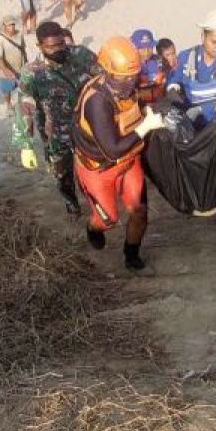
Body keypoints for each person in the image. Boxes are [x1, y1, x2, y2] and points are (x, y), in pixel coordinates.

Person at [72, 36, 165, 270]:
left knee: (139, 211)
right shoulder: (98, 102)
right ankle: (93, 227)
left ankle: (131, 253)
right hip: (99, 168)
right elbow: (112, 150)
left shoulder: (130, 84)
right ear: (106, 73)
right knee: (108, 219)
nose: (128, 84)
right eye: (121, 78)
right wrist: (145, 127)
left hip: (129, 160)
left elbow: (147, 94)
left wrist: (168, 92)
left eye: (132, 77)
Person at [167, 9, 216, 220]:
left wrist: (201, 109)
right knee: (192, 161)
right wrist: (173, 92)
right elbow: (174, 80)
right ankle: (197, 200)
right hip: (192, 123)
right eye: (214, 42)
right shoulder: (186, 57)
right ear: (203, 37)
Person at [16, 20, 98, 215]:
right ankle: (71, 204)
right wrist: (25, 144)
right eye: (51, 47)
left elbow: (102, 79)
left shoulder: (80, 55)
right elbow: (25, 107)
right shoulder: (33, 72)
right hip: (55, 134)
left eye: (61, 44)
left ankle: (97, 205)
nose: (58, 49)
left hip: (86, 127)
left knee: (92, 170)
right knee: (62, 175)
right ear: (40, 46)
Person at [0, 14, 28, 114]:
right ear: (3, 26)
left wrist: (27, 63)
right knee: (7, 90)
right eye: (9, 25)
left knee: (23, 88)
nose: (12, 27)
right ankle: (8, 105)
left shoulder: (19, 34)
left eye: (13, 24)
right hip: (7, 71)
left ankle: (21, 105)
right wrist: (6, 71)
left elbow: (23, 49)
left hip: (21, 68)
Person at [130, 28, 167, 104]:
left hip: (159, 102)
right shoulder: (128, 66)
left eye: (149, 47)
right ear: (133, 48)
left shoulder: (159, 61)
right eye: (141, 48)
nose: (146, 52)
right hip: (137, 106)